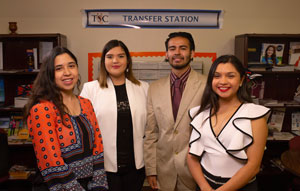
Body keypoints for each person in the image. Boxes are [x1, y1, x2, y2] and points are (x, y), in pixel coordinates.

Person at [24, 47, 108, 191]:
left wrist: (98, 185)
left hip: (89, 185)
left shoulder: (86, 104)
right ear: (49, 75)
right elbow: (51, 161)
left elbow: (98, 147)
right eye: (59, 68)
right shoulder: (42, 109)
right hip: (56, 186)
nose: (67, 72)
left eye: (71, 66)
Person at [187, 55, 270, 191]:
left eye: (230, 76)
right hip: (205, 185)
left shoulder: (255, 116)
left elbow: (253, 166)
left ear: (242, 80)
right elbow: (191, 157)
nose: (223, 81)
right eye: (217, 76)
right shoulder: (200, 114)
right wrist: (204, 187)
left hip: (241, 187)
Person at [80, 40, 148, 191]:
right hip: (103, 167)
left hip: (136, 166)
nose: (115, 61)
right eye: (110, 56)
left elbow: (150, 128)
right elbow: (83, 130)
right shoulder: (90, 89)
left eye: (121, 56)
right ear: (103, 61)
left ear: (128, 60)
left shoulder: (143, 88)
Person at [144, 32, 207, 191]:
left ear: (192, 53)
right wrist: (151, 170)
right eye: (172, 49)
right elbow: (151, 133)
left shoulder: (207, 85)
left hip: (196, 170)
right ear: (166, 54)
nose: (177, 52)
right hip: (164, 172)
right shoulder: (154, 88)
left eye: (183, 48)